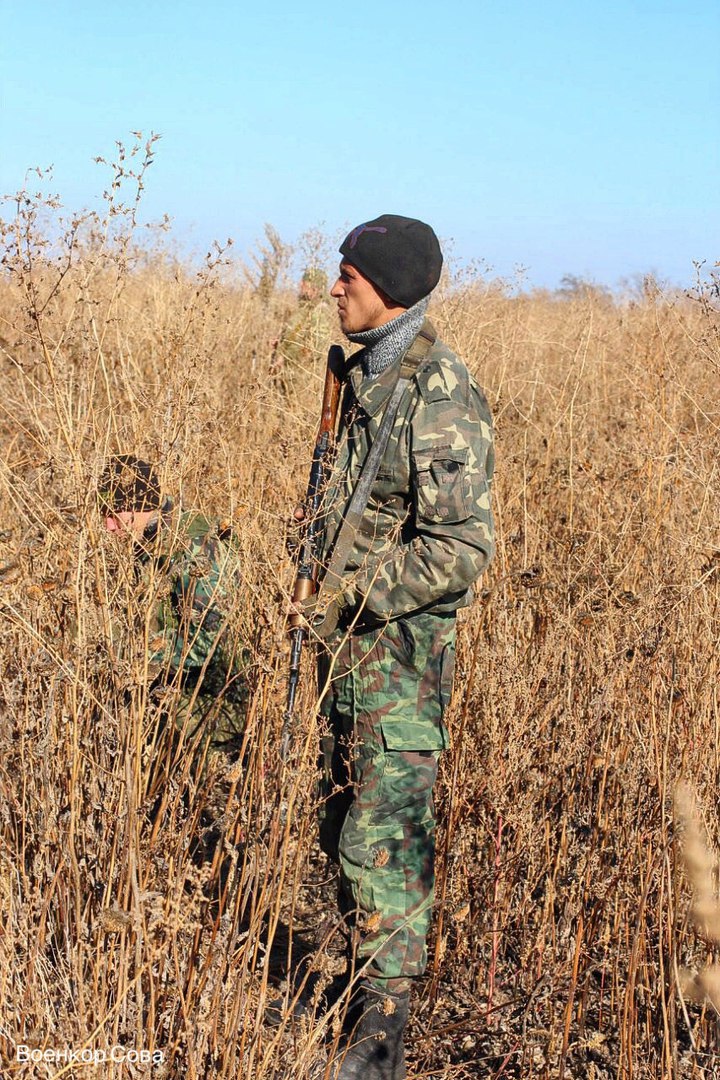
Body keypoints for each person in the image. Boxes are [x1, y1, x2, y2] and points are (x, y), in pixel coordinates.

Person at [299, 215, 495, 1079]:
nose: (333, 287)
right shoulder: (364, 376)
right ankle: (358, 995)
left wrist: (348, 594)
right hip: (346, 658)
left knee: (383, 838)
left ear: (388, 287)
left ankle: (381, 1038)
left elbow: (460, 547)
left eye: (347, 274)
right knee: (344, 822)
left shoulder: (438, 390)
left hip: (399, 665)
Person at [98, 455, 249, 761]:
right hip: (178, 694)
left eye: (113, 514)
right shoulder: (147, 541)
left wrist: (132, 653)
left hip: (216, 706)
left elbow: (207, 642)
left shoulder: (195, 545)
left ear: (141, 505)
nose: (107, 526)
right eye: (103, 514)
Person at [270, 267, 333, 398]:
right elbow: (294, 335)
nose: (300, 285)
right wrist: (280, 342)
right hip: (288, 374)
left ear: (315, 288)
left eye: (304, 283)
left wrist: (288, 359)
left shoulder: (319, 311)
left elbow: (316, 347)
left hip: (299, 379)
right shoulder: (305, 308)